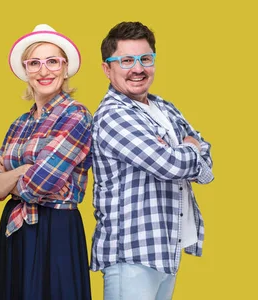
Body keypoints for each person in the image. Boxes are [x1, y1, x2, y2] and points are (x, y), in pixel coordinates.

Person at [90, 21, 214, 300]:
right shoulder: (113, 115)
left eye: (146, 59)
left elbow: (207, 166)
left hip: (166, 248)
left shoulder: (165, 107)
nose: (138, 69)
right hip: (132, 255)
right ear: (107, 69)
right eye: (126, 60)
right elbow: (169, 165)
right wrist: (188, 150)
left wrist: (185, 151)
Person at [0, 24, 92, 300]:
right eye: (35, 63)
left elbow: (39, 185)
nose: (44, 71)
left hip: (56, 231)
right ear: (26, 71)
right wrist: (23, 170)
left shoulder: (76, 115)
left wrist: (9, 179)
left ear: (65, 69)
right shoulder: (19, 124)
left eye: (53, 61)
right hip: (15, 232)